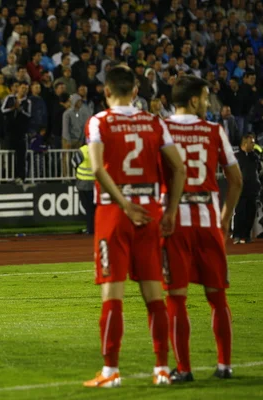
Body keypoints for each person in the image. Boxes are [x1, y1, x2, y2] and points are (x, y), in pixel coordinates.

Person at [82, 65, 186, 388]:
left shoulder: (99, 121)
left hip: (115, 213)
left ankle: (110, 372)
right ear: (136, 92)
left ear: (107, 91)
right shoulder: (155, 122)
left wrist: (125, 205)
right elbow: (179, 169)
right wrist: (169, 211)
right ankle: (162, 369)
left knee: (113, 294)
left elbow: (98, 169)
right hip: (151, 212)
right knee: (155, 295)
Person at [162, 75, 243, 383]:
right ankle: (224, 366)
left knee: (177, 298)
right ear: (194, 100)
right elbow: (235, 181)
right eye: (206, 98)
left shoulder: (162, 130)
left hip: (175, 221)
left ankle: (183, 369)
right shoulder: (213, 130)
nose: (209, 103)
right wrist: (224, 218)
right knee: (218, 297)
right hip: (208, 220)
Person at [233, 134, 261, 244]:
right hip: (240, 190)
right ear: (244, 144)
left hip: (253, 189)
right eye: (251, 142)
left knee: (251, 213)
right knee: (240, 213)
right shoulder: (236, 156)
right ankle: (237, 235)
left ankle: (246, 235)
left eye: (253, 142)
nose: (253, 144)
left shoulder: (255, 156)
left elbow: (258, 170)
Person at [71, 144, 95, 234]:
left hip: (83, 183)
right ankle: (94, 228)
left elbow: (74, 163)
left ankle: (90, 229)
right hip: (95, 183)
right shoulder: (98, 147)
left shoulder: (83, 150)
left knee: (88, 208)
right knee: (94, 208)